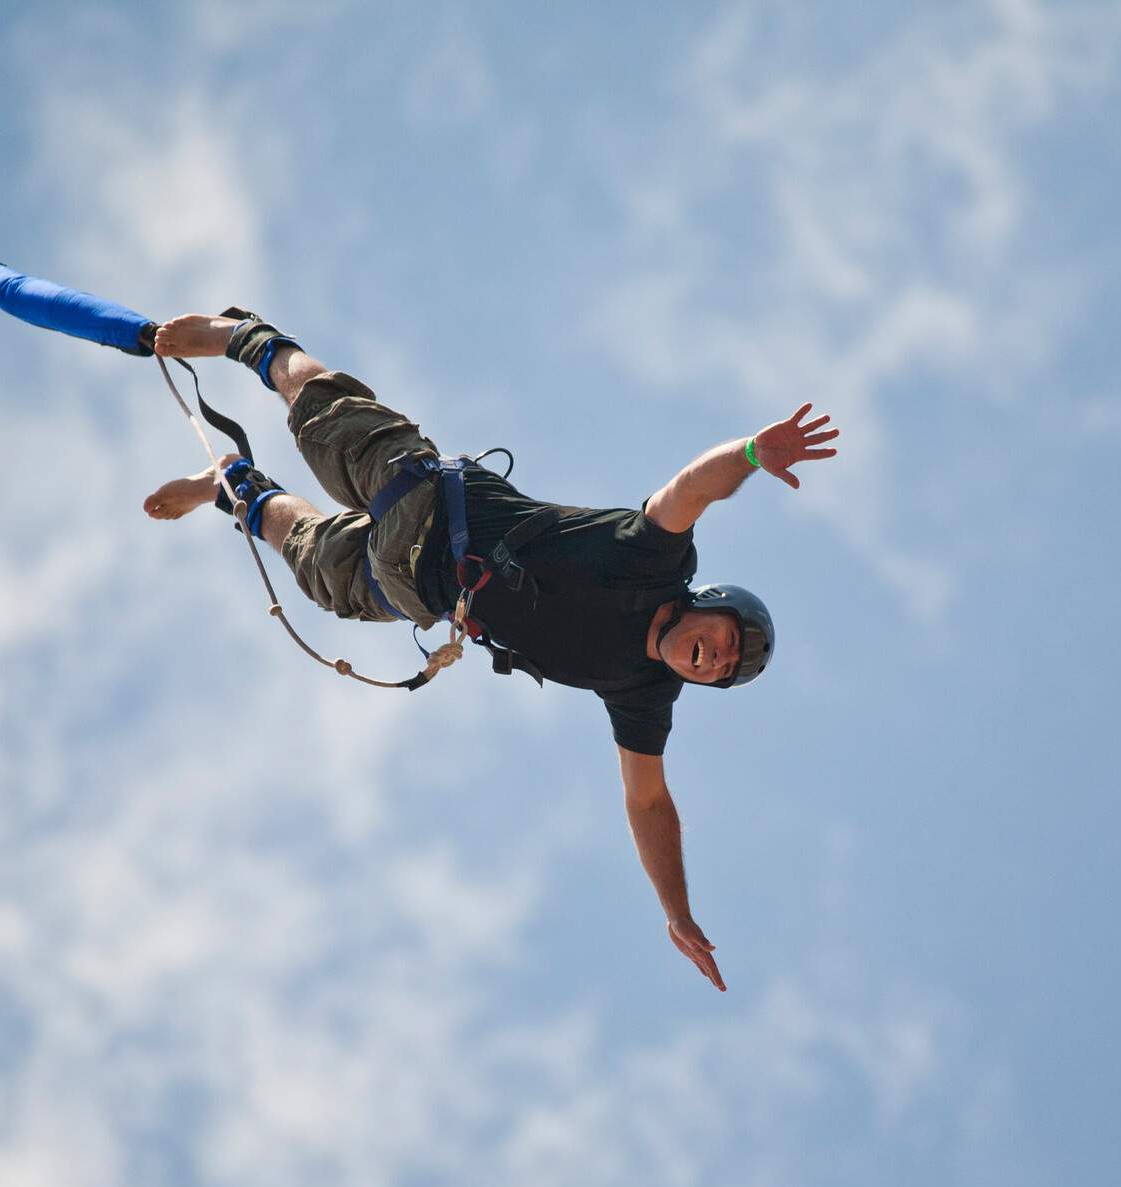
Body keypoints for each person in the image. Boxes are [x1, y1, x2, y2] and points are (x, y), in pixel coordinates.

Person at [144, 312, 839, 991]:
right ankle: (246, 339)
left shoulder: (642, 690)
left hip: (416, 590)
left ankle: (232, 484)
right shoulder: (650, 560)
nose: (715, 658)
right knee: (321, 412)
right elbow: (692, 489)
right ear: (704, 604)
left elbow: (650, 802)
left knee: (318, 573)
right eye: (723, 641)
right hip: (427, 503)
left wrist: (677, 912)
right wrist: (752, 453)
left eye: (723, 670)